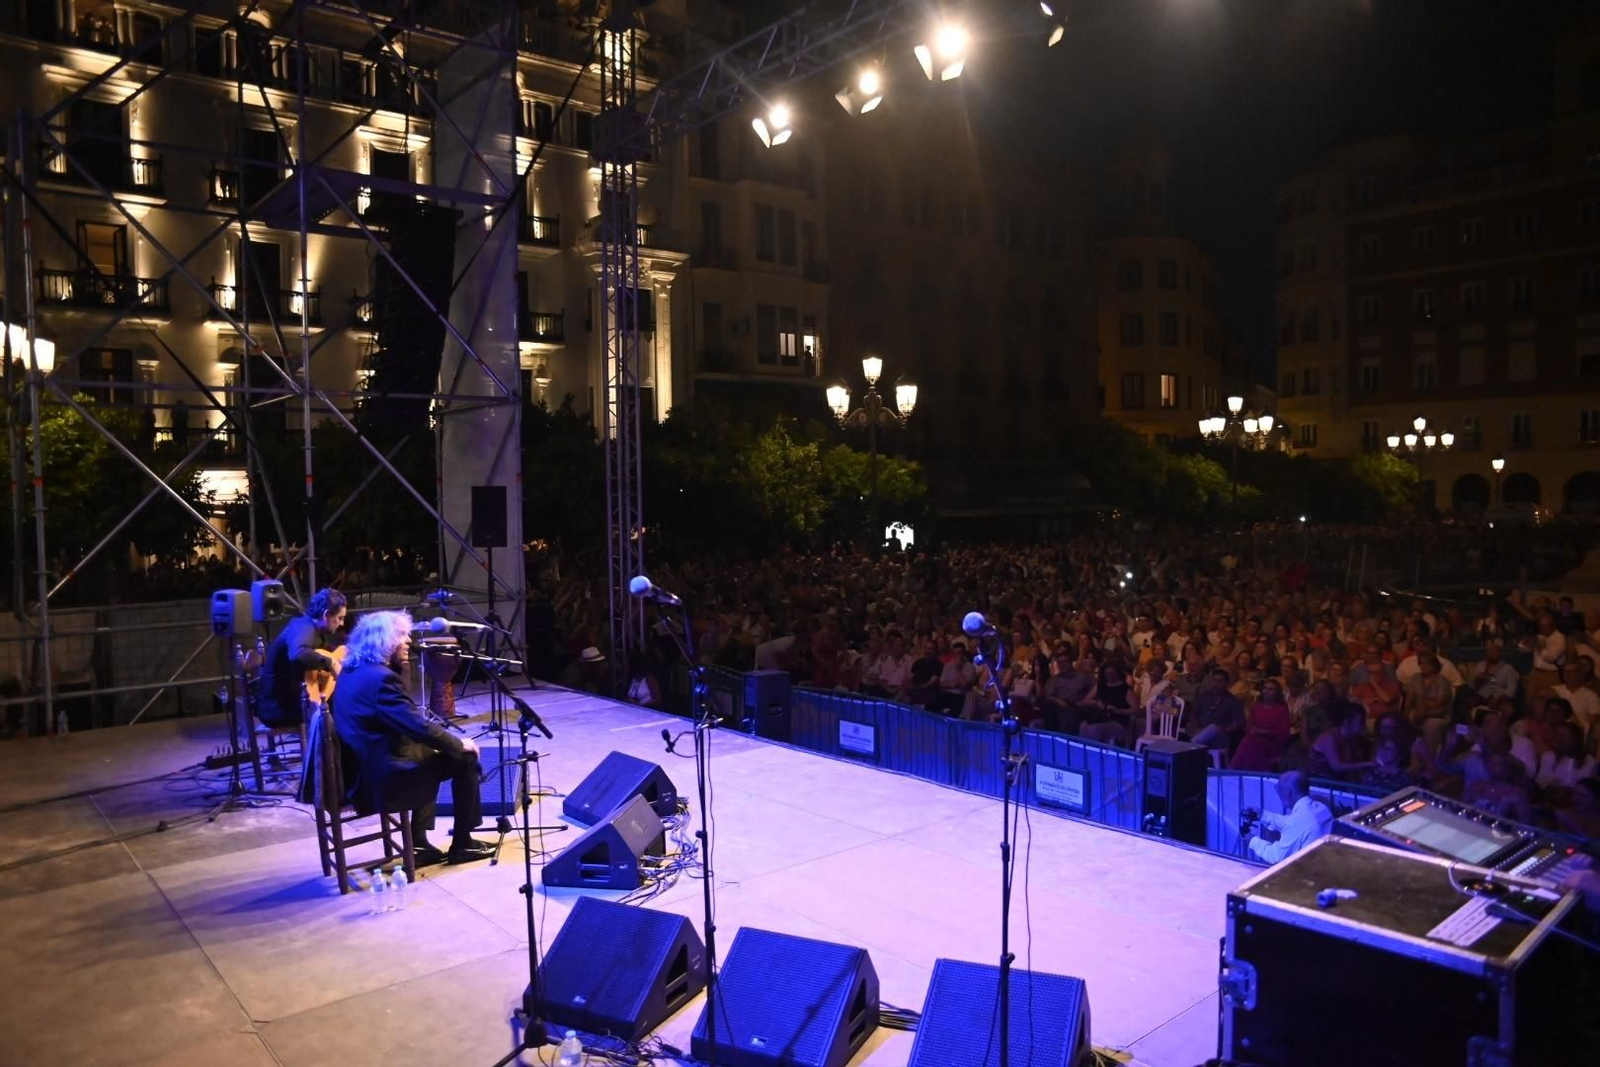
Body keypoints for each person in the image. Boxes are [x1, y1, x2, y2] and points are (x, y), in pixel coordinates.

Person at [332, 610, 494, 866]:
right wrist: (459, 743)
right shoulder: (381, 679)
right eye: (402, 635)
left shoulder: (353, 672)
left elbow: (409, 725)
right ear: (384, 640)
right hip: (382, 779)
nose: (409, 641)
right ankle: (463, 843)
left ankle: (419, 843)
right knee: (463, 757)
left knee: (429, 751)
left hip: (362, 767)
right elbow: (420, 727)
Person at [256, 587, 347, 726]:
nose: (342, 624)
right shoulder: (303, 628)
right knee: (344, 704)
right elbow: (298, 654)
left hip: (289, 701)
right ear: (326, 614)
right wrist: (331, 664)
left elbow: (322, 652)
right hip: (278, 708)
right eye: (339, 618)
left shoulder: (312, 630)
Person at [1246, 770, 1333, 864]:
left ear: (1289, 793)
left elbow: (1276, 856)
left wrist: (1252, 841)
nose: (1278, 793)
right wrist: (1263, 815)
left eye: (1279, 789)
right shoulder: (1321, 808)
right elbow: (1292, 823)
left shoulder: (1298, 821)